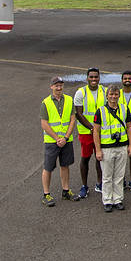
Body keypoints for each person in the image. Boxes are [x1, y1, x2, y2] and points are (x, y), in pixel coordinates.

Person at [92, 85, 131, 212]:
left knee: (119, 175)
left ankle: (117, 199)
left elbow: (129, 127)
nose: (113, 97)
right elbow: (96, 131)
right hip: (107, 148)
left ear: (119, 95)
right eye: (111, 94)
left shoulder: (124, 108)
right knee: (107, 176)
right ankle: (107, 200)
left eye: (116, 94)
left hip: (122, 146)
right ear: (107, 96)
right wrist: (98, 149)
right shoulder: (100, 111)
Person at [40, 76, 77, 206]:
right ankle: (46, 194)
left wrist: (66, 137)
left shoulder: (69, 100)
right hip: (52, 141)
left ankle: (66, 191)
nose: (59, 87)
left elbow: (73, 119)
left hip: (66, 140)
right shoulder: (46, 103)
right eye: (56, 85)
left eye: (61, 85)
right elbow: (44, 124)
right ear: (51, 87)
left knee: (65, 165)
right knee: (48, 167)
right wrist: (57, 138)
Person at [73, 67, 104, 199]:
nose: (93, 79)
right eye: (91, 77)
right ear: (87, 78)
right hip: (86, 131)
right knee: (85, 158)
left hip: (102, 132)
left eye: (96, 77)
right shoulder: (81, 92)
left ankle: (100, 183)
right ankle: (84, 186)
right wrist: (92, 128)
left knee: (100, 157)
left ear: (99, 78)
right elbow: (79, 114)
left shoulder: (105, 91)